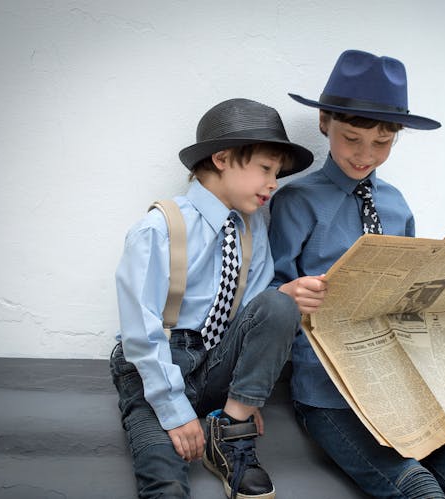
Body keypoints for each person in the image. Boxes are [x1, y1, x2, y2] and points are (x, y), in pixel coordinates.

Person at [269, 50, 445, 498]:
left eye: (381, 144)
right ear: (324, 122)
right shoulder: (296, 202)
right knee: (418, 492)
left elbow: (410, 299)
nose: (365, 155)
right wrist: (291, 293)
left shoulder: (396, 204)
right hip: (329, 395)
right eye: (351, 139)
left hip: (401, 384)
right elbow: (265, 294)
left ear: (396, 138)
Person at [110, 98, 314, 499]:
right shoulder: (160, 227)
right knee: (164, 481)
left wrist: (247, 395)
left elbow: (255, 313)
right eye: (266, 169)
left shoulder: (251, 231)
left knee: (279, 301)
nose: (274, 183)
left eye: (277, 173)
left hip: (216, 360)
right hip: (157, 365)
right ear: (222, 158)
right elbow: (140, 330)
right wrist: (174, 411)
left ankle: (229, 434)